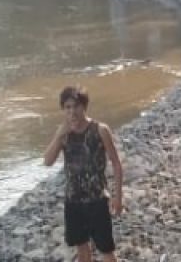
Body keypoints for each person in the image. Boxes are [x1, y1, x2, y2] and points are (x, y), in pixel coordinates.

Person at [44, 85, 124, 262]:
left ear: (84, 106)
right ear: (63, 109)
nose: (72, 112)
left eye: (76, 106)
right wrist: (58, 136)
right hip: (73, 201)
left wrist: (118, 197)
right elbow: (47, 161)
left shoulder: (100, 130)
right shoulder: (64, 134)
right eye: (68, 107)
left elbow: (116, 164)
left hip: (97, 199)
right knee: (82, 249)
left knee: (106, 250)